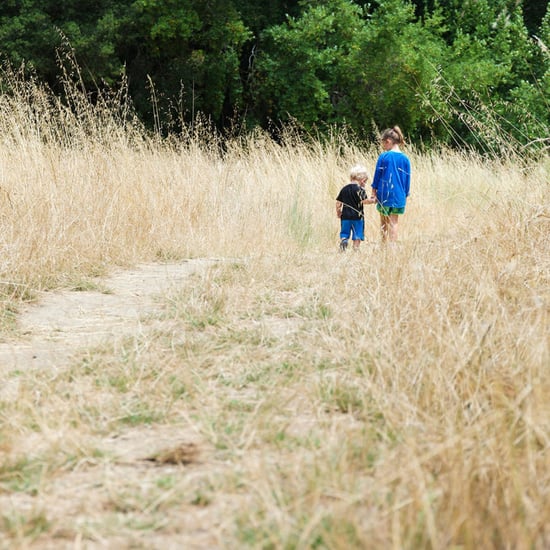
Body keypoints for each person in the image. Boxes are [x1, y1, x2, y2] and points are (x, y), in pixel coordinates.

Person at [371, 126, 411, 242]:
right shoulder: (405, 159)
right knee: (394, 222)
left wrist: (373, 192)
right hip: (399, 195)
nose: (383, 146)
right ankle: (392, 247)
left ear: (388, 141)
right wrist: (405, 194)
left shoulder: (384, 156)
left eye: (383, 143)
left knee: (383, 221)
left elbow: (377, 176)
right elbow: (407, 179)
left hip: (384, 194)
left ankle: (383, 244)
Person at [335, 164, 375, 251]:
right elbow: (364, 201)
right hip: (358, 217)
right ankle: (356, 248)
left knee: (345, 232)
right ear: (363, 180)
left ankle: (344, 240)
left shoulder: (344, 188)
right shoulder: (360, 190)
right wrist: (372, 201)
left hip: (345, 217)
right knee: (357, 233)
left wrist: (338, 212)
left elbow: (338, 202)